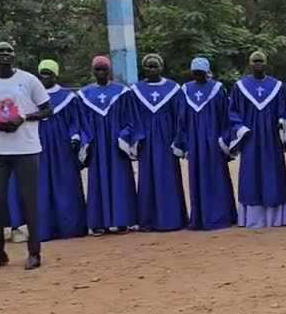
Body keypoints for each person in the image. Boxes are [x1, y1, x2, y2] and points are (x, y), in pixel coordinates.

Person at [0, 42, 52, 271]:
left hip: (26, 148)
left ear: (14, 56)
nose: (5, 55)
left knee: (30, 199)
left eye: (9, 51)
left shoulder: (28, 80)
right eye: (1, 52)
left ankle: (34, 253)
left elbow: (48, 109)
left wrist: (23, 117)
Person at [226, 51, 286, 228]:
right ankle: (252, 218)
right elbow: (232, 112)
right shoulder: (240, 87)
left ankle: (276, 217)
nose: (258, 64)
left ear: (266, 63)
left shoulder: (277, 86)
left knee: (274, 173)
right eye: (255, 61)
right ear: (249, 64)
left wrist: (283, 122)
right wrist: (240, 128)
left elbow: (285, 109)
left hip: (272, 137)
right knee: (251, 173)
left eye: (261, 61)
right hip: (250, 137)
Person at [79, 55, 138, 235]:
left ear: (109, 70)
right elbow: (82, 122)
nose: (101, 72)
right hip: (97, 143)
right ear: (92, 71)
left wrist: (124, 136)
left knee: (120, 179)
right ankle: (99, 222)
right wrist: (86, 141)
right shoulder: (84, 94)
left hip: (116, 143)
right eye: (97, 69)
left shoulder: (122, 92)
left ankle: (122, 220)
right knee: (98, 179)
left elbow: (131, 118)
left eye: (104, 69)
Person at [131, 53, 188, 232]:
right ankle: (148, 220)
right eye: (148, 66)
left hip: (167, 139)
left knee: (168, 177)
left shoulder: (173, 89)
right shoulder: (136, 90)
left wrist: (178, 139)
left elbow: (180, 116)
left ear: (161, 67)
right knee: (147, 178)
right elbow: (132, 116)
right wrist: (136, 137)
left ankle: (171, 219)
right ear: (144, 68)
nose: (152, 69)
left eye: (155, 66)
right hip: (146, 139)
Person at [180, 57, 237, 231]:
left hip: (213, 142)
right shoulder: (186, 90)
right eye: (196, 73)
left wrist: (223, 140)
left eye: (201, 73)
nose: (198, 76)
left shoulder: (217, 89)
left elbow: (225, 116)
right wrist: (185, 143)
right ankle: (200, 218)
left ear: (207, 72)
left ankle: (221, 216)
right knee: (197, 178)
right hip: (195, 142)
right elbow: (181, 118)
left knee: (217, 177)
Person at [34, 60, 87, 242]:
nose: (45, 77)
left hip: (62, 145)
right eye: (42, 73)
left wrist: (75, 136)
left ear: (55, 75)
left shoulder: (68, 97)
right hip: (38, 143)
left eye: (49, 73)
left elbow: (75, 120)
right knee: (41, 184)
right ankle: (44, 229)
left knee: (65, 182)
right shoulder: (31, 96)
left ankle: (70, 227)